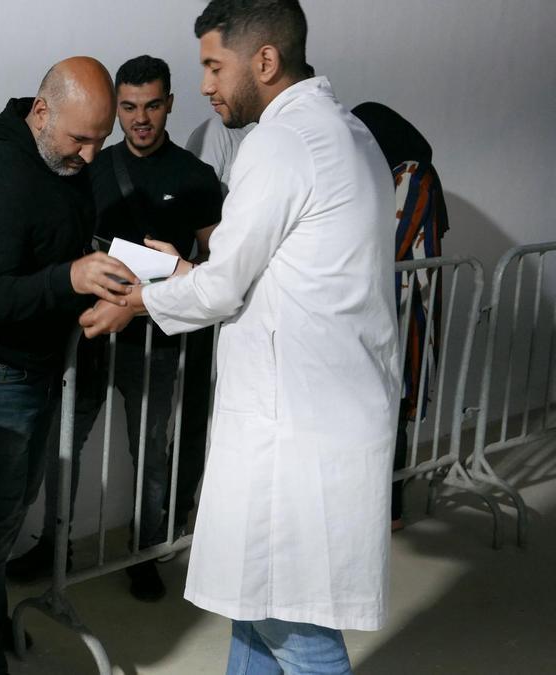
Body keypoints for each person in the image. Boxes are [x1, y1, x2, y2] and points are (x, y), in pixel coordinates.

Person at [80, 1, 399, 672]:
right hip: (314, 408)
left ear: (264, 61)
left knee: (297, 632)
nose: (204, 85)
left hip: (295, 425)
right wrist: (187, 269)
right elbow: (281, 263)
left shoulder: (280, 142)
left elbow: (226, 287)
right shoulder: (349, 132)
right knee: (256, 612)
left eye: (212, 65)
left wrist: (141, 298)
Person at [6, 56, 223, 602]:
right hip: (88, 333)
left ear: (170, 103)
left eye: (151, 105)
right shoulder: (92, 163)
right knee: (63, 445)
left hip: (156, 340)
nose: (140, 119)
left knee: (149, 450)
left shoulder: (195, 178)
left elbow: (216, 260)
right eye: (128, 107)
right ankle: (56, 547)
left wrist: (174, 277)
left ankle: (146, 553)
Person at [0, 57, 126, 675]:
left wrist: (99, 269)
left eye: (102, 140)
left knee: (7, 521)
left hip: (38, 372)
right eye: (81, 139)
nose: (92, 155)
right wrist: (69, 277)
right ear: (40, 113)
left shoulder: (63, 161)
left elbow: (54, 246)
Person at [352, 101, 450, 532]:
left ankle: (387, 510)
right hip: (380, 309)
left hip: (403, 313)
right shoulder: (386, 174)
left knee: (391, 405)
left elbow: (388, 243)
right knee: (376, 406)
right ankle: (372, 506)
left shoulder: (412, 174)